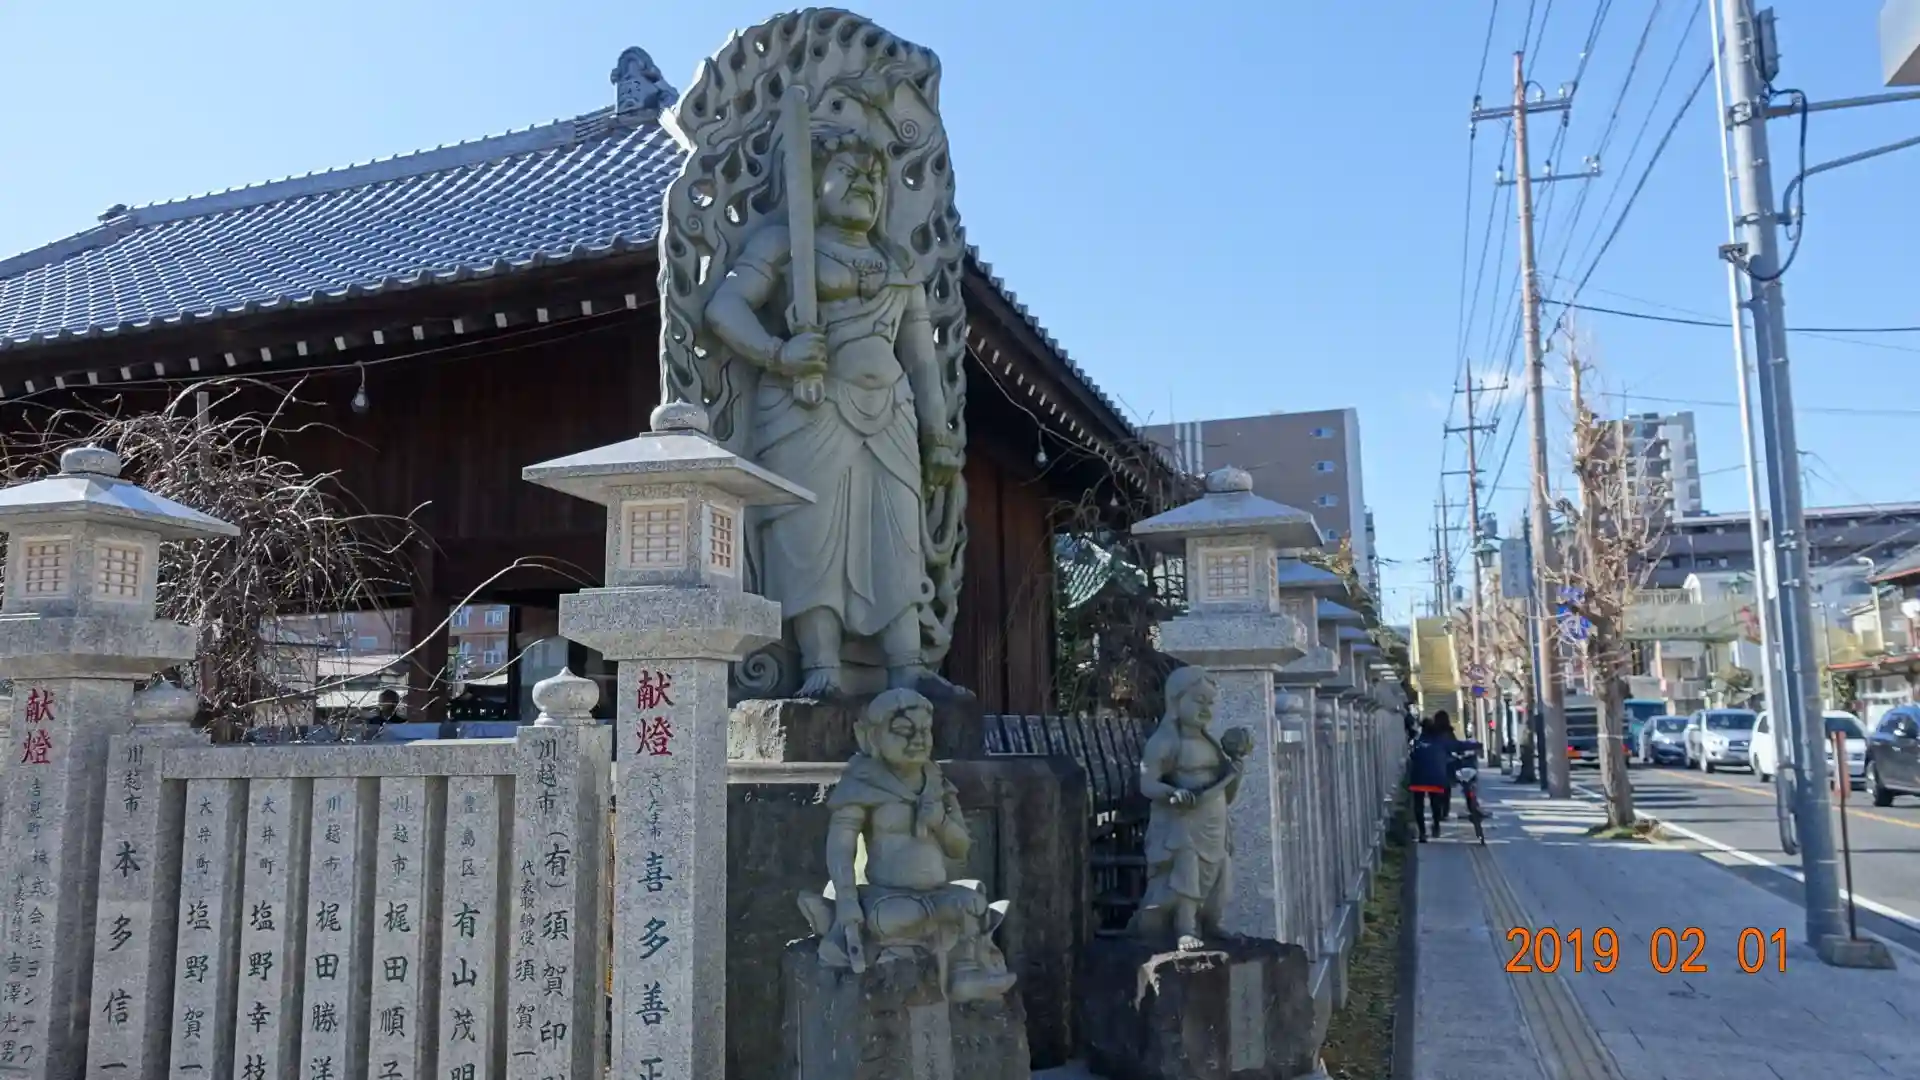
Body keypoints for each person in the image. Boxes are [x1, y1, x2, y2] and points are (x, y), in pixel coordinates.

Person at [1407, 710, 1481, 842]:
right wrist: (1476, 744)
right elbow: (1459, 746)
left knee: (1418, 806)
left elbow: (1412, 756)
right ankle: (1436, 825)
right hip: (1436, 778)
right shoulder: (1441, 741)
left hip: (1417, 778)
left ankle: (1422, 833)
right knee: (1435, 803)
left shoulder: (1417, 741)